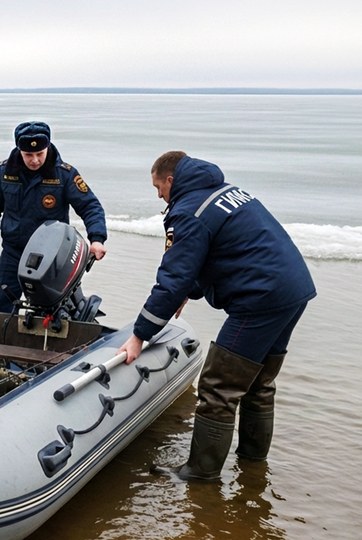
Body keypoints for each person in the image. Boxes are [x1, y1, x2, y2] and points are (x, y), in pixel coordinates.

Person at [118, 151, 316, 482]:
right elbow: (221, 250)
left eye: (158, 187)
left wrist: (139, 336)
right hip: (294, 288)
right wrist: (186, 291)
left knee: (218, 385)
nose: (159, 196)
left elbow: (172, 279)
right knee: (259, 381)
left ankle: (199, 473)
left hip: (259, 297)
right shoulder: (226, 191)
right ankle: (253, 462)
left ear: (170, 180)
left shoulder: (187, 212)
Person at [0, 121, 108, 311]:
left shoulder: (65, 174)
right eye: (28, 155)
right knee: (1, 305)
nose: (35, 160)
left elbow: (90, 206)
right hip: (13, 251)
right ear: (19, 150)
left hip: (52, 257)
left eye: (40, 154)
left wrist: (97, 239)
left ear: (48, 147)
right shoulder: (4, 172)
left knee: (52, 310)